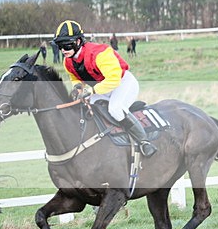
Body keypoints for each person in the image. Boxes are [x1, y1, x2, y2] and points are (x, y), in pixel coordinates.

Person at [52, 20, 157, 157]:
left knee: (115, 109)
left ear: (78, 41)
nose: (63, 50)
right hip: (102, 87)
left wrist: (91, 91)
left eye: (66, 45)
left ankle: (144, 142)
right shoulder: (68, 62)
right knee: (87, 108)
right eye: (59, 46)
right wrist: (77, 88)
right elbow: (75, 78)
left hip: (123, 83)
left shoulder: (99, 53)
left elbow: (114, 79)